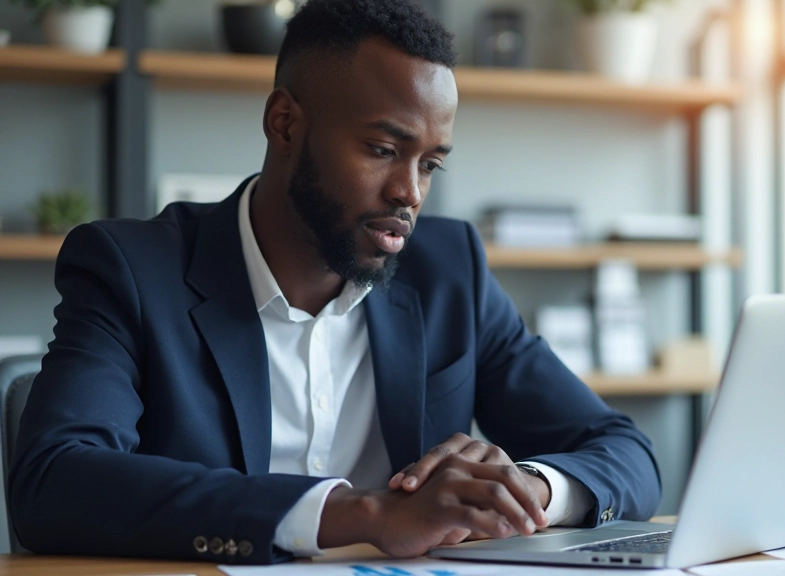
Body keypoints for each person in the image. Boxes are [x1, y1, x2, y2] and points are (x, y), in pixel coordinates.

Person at [9, 0, 661, 565]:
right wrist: (362, 515)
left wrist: (527, 488)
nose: (410, 193)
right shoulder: (131, 267)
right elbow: (54, 482)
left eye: (429, 163)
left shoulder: (449, 269)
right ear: (285, 123)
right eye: (383, 150)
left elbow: (624, 453)